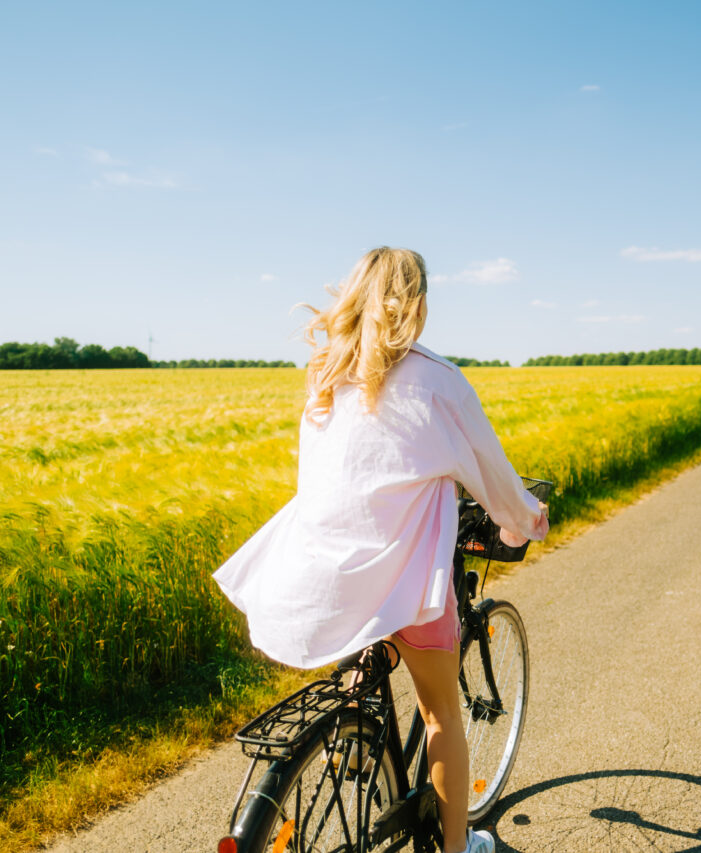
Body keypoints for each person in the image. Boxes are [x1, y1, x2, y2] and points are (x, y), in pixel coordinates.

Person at [213, 247, 548, 853]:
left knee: (368, 655)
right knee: (443, 713)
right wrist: (526, 522)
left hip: (317, 576)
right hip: (402, 584)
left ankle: (355, 727)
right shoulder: (439, 379)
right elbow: (495, 481)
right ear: (417, 302)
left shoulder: (324, 372)